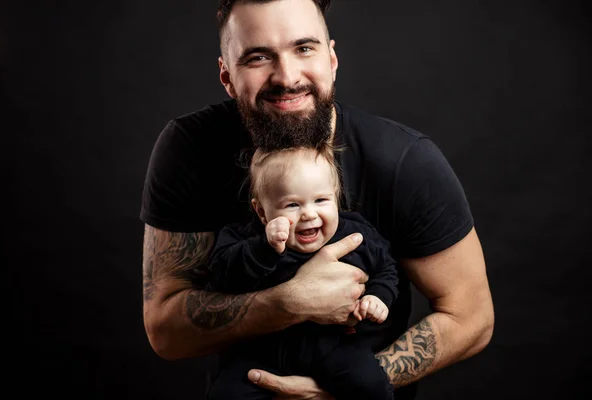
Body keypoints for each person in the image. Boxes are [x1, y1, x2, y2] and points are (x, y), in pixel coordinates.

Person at [140, 0, 495, 399]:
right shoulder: (190, 149)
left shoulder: (404, 161)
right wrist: (286, 303)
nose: (287, 76)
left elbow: (472, 317)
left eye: (304, 48)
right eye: (258, 57)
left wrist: (338, 387)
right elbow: (166, 332)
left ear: (332, 59)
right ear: (226, 75)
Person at [206, 145, 398, 399]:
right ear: (262, 211)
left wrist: (378, 296)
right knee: (225, 394)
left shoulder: (356, 235)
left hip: (334, 346)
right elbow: (222, 274)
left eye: (321, 200)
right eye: (292, 204)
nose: (308, 213)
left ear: (336, 196)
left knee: (372, 386)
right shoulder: (244, 239)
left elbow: (386, 269)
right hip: (261, 349)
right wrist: (265, 247)